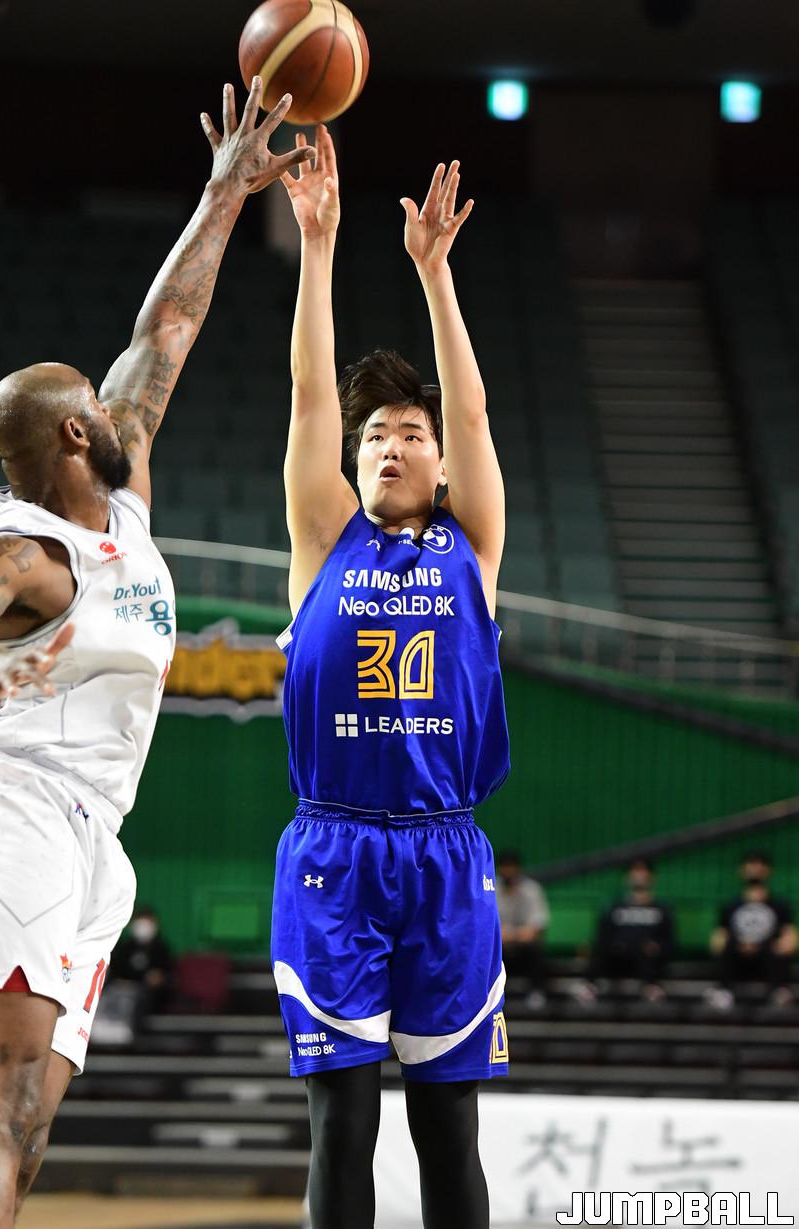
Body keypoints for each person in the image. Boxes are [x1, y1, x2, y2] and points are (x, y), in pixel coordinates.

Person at [0, 79, 313, 1225]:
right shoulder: (21, 553)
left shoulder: (118, 510)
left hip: (93, 839)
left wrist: (225, 193)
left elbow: (163, 329)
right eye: (100, 402)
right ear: (79, 432)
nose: (124, 403)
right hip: (10, 810)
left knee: (28, 1124)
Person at [272, 127, 509, 1229]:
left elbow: (473, 411)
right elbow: (307, 399)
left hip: (445, 851)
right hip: (335, 849)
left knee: (448, 1131)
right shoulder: (325, 542)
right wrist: (317, 245)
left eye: (410, 433)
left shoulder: (472, 548)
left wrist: (434, 273)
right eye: (374, 435)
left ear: (439, 460)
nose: (389, 445)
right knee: (342, 1126)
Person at [574, 859, 675, 1004]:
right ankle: (588, 987)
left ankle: (651, 988)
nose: (639, 875)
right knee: (598, 947)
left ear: (652, 877)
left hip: (648, 962)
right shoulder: (614, 908)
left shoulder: (662, 910)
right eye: (635, 871)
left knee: (646, 950)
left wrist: (657, 947)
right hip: (618, 959)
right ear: (626, 877)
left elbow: (670, 942)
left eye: (643, 870)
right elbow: (602, 937)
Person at [706, 850, 797, 1010]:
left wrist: (772, 946)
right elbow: (718, 937)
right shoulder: (731, 905)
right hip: (738, 958)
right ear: (741, 870)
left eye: (760, 864)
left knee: (776, 949)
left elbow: (790, 936)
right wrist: (738, 946)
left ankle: (778, 991)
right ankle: (724, 992)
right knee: (727, 946)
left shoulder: (779, 905)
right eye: (751, 864)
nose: (755, 869)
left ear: (768, 870)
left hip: (768, 959)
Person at [496, 849, 550, 1007]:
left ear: (518, 868)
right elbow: (488, 928)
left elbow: (537, 928)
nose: (508, 871)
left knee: (536, 948)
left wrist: (511, 935)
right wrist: (506, 935)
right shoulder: (491, 889)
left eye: (511, 866)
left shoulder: (532, 890)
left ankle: (536, 993)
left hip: (523, 947)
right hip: (500, 947)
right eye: (504, 866)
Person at [109, 905, 174, 1013]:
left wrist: (160, 978)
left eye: (147, 921)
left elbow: (167, 976)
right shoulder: (124, 948)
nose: (143, 926)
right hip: (124, 995)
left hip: (152, 998)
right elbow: (115, 973)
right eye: (140, 920)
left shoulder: (161, 950)